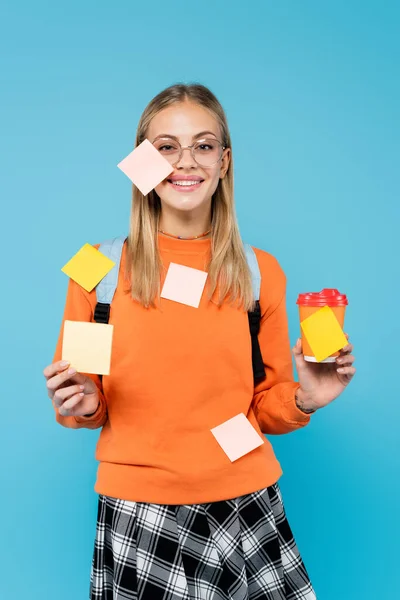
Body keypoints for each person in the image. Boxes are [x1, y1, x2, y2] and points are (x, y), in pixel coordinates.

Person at [43, 83, 356, 600]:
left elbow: (267, 408)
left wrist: (307, 398)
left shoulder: (259, 272)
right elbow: (85, 403)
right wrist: (82, 399)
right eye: (166, 146)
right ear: (143, 161)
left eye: (204, 145)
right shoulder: (95, 267)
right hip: (139, 510)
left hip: (245, 503)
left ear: (224, 161)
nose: (185, 161)